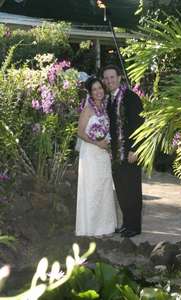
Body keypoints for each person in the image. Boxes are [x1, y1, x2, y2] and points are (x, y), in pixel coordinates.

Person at [101, 65, 144, 238]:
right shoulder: (108, 100)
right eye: (106, 78)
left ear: (119, 78)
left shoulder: (131, 98)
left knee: (133, 189)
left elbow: (140, 125)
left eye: (112, 77)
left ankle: (135, 226)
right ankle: (126, 223)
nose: (109, 81)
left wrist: (137, 149)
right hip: (116, 154)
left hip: (130, 152)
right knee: (121, 190)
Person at [75, 77, 117, 236]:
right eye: (94, 89)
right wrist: (96, 142)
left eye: (100, 88)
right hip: (91, 153)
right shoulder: (88, 109)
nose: (98, 91)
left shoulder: (105, 108)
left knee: (104, 188)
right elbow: (80, 132)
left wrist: (106, 143)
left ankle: (105, 227)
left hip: (103, 154)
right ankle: (91, 228)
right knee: (92, 189)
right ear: (90, 93)